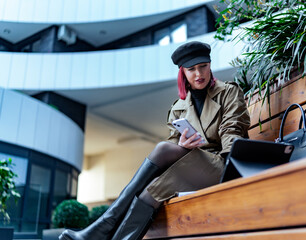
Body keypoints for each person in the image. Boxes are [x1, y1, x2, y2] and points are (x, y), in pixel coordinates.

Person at [59, 41, 250, 240]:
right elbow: (174, 148)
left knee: (162, 150)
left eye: (203, 66)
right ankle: (103, 233)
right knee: (151, 192)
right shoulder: (178, 108)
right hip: (190, 169)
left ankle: (101, 226)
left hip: (223, 166)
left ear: (210, 65)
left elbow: (232, 131)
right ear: (183, 73)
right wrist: (182, 146)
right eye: (191, 69)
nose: (198, 74)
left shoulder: (229, 92)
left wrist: (184, 151)